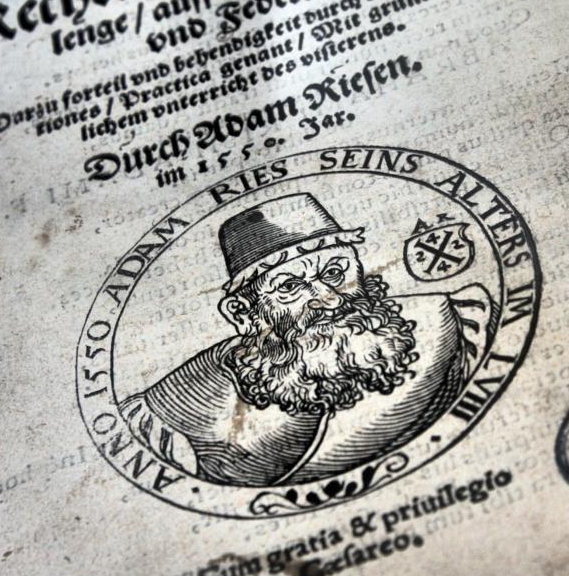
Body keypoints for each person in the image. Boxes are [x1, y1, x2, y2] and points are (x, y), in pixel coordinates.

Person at [120, 193, 494, 486]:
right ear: (244, 313)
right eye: (289, 287)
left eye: (334, 273)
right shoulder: (172, 413)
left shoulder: (452, 320)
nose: (327, 298)